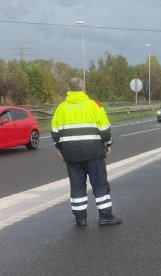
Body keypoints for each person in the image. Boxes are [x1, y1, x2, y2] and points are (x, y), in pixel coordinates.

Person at [51, 77, 122, 227]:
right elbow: (105, 130)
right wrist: (108, 144)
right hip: (94, 153)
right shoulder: (94, 105)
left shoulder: (61, 108)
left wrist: (61, 149)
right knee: (100, 184)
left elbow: (55, 133)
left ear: (69, 89)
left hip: (71, 155)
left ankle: (80, 219)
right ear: (83, 88)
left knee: (77, 187)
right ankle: (105, 216)